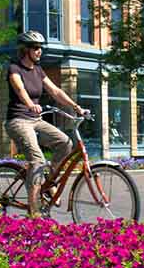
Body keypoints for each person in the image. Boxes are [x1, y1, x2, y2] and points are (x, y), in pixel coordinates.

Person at [5, 30, 88, 215]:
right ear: (25, 50)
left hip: (36, 120)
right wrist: (29, 104)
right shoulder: (14, 68)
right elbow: (19, 89)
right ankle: (34, 212)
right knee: (37, 161)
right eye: (35, 48)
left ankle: (49, 181)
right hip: (18, 120)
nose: (39, 51)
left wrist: (76, 107)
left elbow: (56, 91)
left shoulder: (38, 70)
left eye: (41, 47)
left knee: (65, 143)